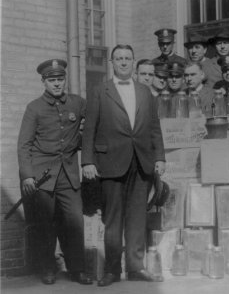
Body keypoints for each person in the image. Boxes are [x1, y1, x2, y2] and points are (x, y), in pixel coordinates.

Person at [81, 44, 166, 286]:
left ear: (133, 61)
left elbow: (153, 127)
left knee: (137, 217)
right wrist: (87, 160)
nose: (124, 62)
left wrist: (159, 157)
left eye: (128, 58)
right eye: (119, 58)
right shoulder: (100, 90)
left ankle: (136, 267)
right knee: (113, 219)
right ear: (112, 62)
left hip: (141, 162)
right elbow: (89, 129)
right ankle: (112, 270)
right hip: (110, 162)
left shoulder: (144, 91)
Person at [17, 59, 92, 285]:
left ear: (64, 80)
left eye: (60, 79)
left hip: (69, 175)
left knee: (74, 222)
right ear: (44, 82)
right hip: (43, 177)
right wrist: (28, 175)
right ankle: (48, 268)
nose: (57, 84)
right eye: (52, 80)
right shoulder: (34, 108)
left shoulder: (78, 103)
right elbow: (24, 145)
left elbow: (95, 121)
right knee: (45, 224)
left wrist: (83, 135)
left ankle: (77, 269)